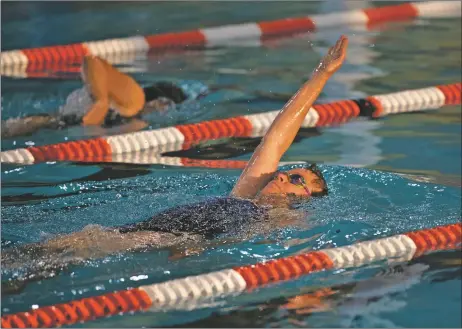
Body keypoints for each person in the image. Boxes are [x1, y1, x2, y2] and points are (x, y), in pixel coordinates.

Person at [2, 35, 348, 286]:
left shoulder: (283, 221)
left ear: (306, 201)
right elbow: (277, 136)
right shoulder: (248, 192)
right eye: (291, 171)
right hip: (152, 228)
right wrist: (322, 73)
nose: (287, 175)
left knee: (68, 248)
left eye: (299, 180)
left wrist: (195, 246)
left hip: (167, 240)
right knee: (60, 250)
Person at [1, 55, 210, 139]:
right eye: (165, 104)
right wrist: (100, 99)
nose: (164, 110)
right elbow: (91, 61)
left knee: (47, 121)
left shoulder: (132, 114)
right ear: (161, 101)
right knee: (47, 121)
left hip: (65, 121)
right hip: (71, 121)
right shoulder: (134, 106)